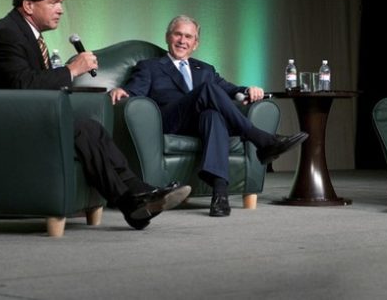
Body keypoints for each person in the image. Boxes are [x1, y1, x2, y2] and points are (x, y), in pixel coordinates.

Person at [0, 0, 191, 230]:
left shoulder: (26, 33)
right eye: (53, 2)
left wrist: (65, 76)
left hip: (22, 118)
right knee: (84, 129)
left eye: (61, 3)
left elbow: (31, 84)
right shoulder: (6, 34)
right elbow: (23, 84)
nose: (60, 10)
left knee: (89, 129)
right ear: (29, 5)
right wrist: (72, 70)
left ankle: (136, 197)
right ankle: (133, 200)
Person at [109, 15, 309, 217]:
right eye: (178, 34)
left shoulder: (205, 69)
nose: (182, 41)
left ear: (195, 44)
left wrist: (248, 90)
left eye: (188, 37)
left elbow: (229, 89)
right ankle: (260, 138)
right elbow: (134, 91)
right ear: (168, 37)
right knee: (207, 90)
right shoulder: (150, 66)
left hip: (199, 124)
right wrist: (122, 91)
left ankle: (220, 195)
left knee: (212, 116)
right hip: (168, 121)